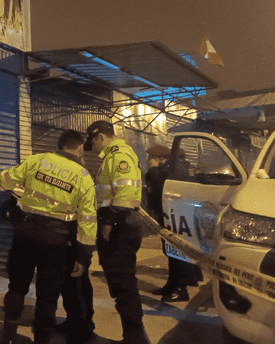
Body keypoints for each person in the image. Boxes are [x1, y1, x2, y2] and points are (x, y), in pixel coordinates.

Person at [0, 130, 97, 344]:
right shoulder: (82, 176)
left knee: (16, 287)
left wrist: (19, 189)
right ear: (80, 148)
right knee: (47, 296)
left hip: (25, 236)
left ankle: (7, 337)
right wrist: (83, 256)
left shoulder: (37, 160)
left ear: (59, 144)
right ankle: (42, 340)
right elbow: (87, 220)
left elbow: (5, 181)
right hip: (57, 242)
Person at [83, 120, 150, 344]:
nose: (91, 147)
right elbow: (111, 191)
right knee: (120, 286)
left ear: (100, 136)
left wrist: (108, 223)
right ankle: (134, 336)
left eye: (92, 142)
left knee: (124, 287)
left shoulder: (119, 155)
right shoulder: (111, 158)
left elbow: (126, 193)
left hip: (120, 229)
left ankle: (135, 338)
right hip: (118, 227)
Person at [145, 145, 200, 303]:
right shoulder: (167, 168)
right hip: (168, 214)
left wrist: (153, 170)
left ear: (160, 158)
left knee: (177, 252)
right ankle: (172, 284)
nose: (148, 161)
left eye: (151, 158)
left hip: (177, 216)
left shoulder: (176, 168)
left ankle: (181, 289)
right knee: (170, 251)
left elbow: (163, 187)